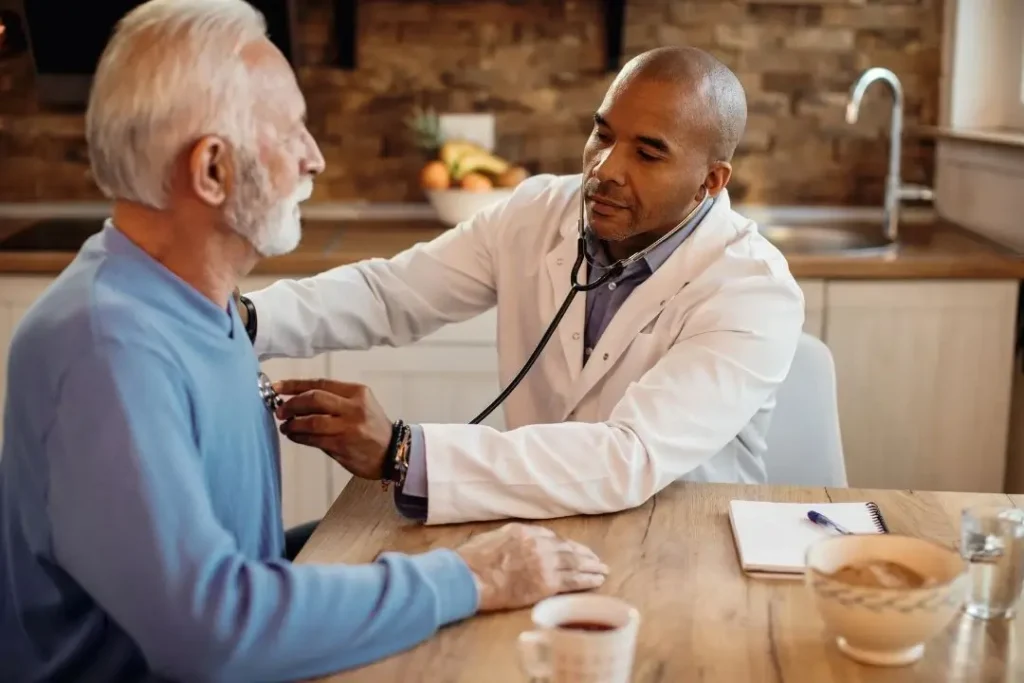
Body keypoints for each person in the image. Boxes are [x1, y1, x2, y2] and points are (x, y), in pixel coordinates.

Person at [0, 1, 608, 681]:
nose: (314, 156)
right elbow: (213, 627)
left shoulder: (202, 311)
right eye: (292, 131)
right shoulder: (106, 348)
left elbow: (240, 568)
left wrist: (440, 548)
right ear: (211, 170)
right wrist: (467, 575)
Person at [239, 45, 806, 529]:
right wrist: (244, 318)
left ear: (710, 181)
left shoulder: (752, 289)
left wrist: (400, 450)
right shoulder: (538, 210)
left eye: (648, 153)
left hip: (676, 542)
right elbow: (393, 295)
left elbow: (627, 457)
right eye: (602, 134)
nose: (606, 169)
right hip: (529, 521)